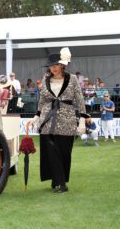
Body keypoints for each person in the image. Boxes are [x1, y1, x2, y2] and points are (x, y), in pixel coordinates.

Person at [27, 47, 86, 194]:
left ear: (62, 65)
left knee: (64, 152)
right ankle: (60, 183)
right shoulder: (46, 80)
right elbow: (42, 101)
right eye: (51, 66)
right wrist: (36, 118)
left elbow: (79, 100)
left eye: (55, 65)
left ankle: (59, 179)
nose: (53, 68)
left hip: (67, 120)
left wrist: (83, 121)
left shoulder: (72, 79)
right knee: (51, 152)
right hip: (47, 121)